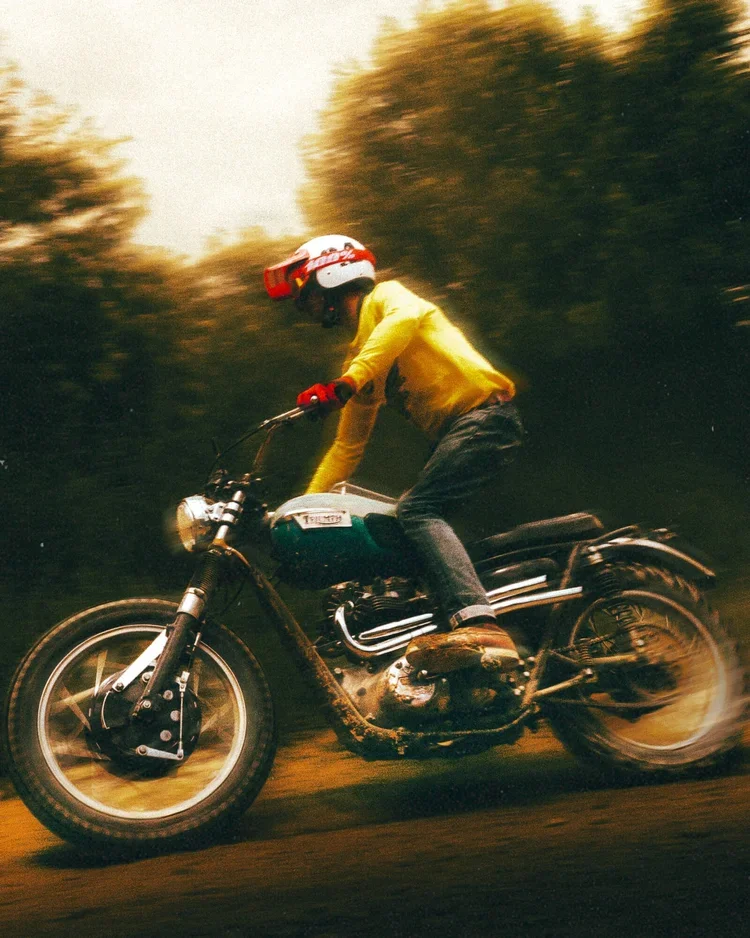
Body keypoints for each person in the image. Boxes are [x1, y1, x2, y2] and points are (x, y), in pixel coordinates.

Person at [264, 234, 525, 675]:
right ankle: (445, 630)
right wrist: (300, 510)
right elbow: (346, 447)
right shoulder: (362, 356)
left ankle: (479, 622)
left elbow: (401, 323)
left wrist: (347, 382)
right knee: (402, 526)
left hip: (484, 418)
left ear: (331, 274)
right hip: (459, 433)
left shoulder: (388, 299)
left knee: (417, 510)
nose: (301, 306)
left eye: (304, 292)